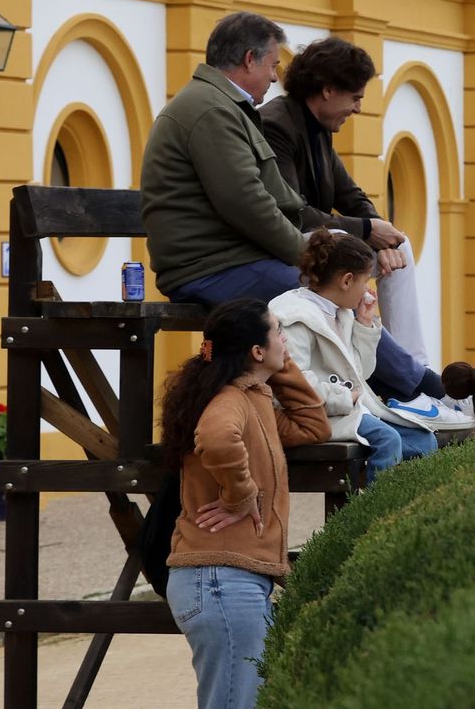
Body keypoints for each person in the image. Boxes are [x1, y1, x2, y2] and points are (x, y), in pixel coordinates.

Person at [140, 13, 440, 403]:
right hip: (208, 268)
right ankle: (414, 388)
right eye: (271, 64)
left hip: (231, 258)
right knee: (324, 289)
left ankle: (396, 387)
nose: (274, 75)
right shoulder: (213, 110)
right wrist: (310, 256)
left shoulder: (226, 107)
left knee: (334, 281)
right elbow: (246, 204)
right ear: (250, 59)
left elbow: (280, 199)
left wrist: (346, 239)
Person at [159, 298, 330, 709]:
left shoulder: (253, 401)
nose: (285, 339)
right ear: (256, 350)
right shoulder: (230, 400)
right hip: (220, 580)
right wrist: (242, 494)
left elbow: (313, 424)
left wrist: (278, 361)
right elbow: (217, 438)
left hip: (225, 580)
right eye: (278, 332)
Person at [255, 37, 432, 362]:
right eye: (355, 97)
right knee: (341, 243)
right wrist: (366, 229)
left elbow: (350, 195)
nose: (358, 108)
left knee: (400, 245)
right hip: (278, 251)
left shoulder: (317, 127)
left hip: (307, 246)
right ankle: (404, 375)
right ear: (327, 89)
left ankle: (415, 366)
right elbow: (291, 213)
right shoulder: (275, 125)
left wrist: (383, 237)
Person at [267, 230, 439, 481]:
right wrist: (345, 396)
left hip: (348, 408)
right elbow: (294, 385)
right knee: (387, 441)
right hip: (315, 414)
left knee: (424, 440)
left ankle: (406, 510)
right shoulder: (294, 316)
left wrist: (365, 325)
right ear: (346, 281)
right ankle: (373, 515)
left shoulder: (342, 312)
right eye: (365, 280)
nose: (367, 288)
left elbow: (362, 372)